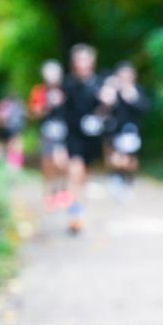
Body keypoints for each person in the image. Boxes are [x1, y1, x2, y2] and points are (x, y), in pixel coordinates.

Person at [62, 43, 113, 234]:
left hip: (91, 137)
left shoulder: (99, 83)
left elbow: (107, 111)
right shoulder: (67, 84)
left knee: (83, 175)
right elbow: (62, 112)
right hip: (72, 135)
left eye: (85, 59)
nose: (82, 63)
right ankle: (74, 214)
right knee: (74, 171)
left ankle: (78, 209)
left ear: (92, 61)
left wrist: (107, 102)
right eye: (78, 59)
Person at [101, 62, 149, 199]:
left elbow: (143, 109)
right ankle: (117, 178)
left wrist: (131, 97)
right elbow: (104, 108)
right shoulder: (112, 90)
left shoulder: (136, 91)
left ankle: (127, 181)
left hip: (131, 132)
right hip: (114, 131)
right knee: (115, 159)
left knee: (128, 161)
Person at [28, 60, 70, 210]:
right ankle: (49, 194)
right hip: (46, 132)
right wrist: (46, 105)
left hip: (63, 132)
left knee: (62, 162)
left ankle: (62, 191)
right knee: (48, 163)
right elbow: (33, 113)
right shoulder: (39, 91)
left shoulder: (65, 90)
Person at [0, 93, 26, 171]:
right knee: (14, 145)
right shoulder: (19, 105)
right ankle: (13, 163)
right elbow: (24, 116)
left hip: (7, 127)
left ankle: (9, 162)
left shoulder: (4, 103)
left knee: (8, 145)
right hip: (14, 127)